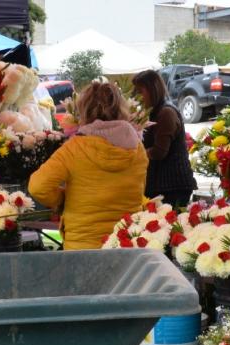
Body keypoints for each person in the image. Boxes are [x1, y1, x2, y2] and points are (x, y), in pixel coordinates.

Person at [28, 82, 148, 250]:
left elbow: (37, 186)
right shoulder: (138, 149)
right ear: (121, 109)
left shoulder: (74, 148)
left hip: (82, 246)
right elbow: (140, 190)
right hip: (125, 242)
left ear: (84, 109)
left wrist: (61, 200)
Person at [131, 70, 197, 207]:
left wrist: (135, 154)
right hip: (162, 184)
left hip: (172, 185)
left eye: (140, 91)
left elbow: (159, 151)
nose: (137, 97)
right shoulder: (154, 111)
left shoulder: (166, 113)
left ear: (153, 90)